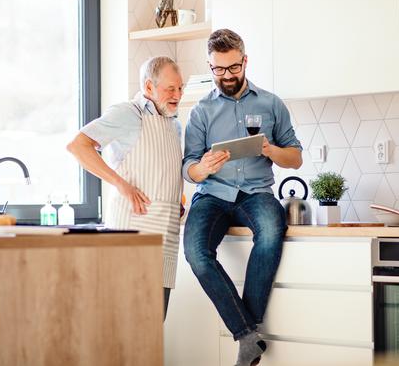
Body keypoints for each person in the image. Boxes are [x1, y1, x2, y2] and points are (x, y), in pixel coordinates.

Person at [182, 29, 302, 366]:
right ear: (210, 66)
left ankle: (248, 334)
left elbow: (295, 157)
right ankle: (248, 334)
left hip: (255, 193)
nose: (226, 77)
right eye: (218, 70)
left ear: (245, 61)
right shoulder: (201, 110)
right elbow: (187, 167)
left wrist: (269, 149)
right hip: (213, 195)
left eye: (233, 68)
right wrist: (202, 168)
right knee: (195, 253)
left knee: (271, 231)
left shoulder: (271, 103)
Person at [67, 56, 184, 320]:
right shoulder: (127, 114)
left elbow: (162, 170)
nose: (178, 95)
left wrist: (178, 200)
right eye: (170, 89)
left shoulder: (174, 124)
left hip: (165, 236)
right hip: (133, 230)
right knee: (127, 327)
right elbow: (78, 146)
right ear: (149, 87)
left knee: (153, 327)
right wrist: (121, 185)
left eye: (180, 88)